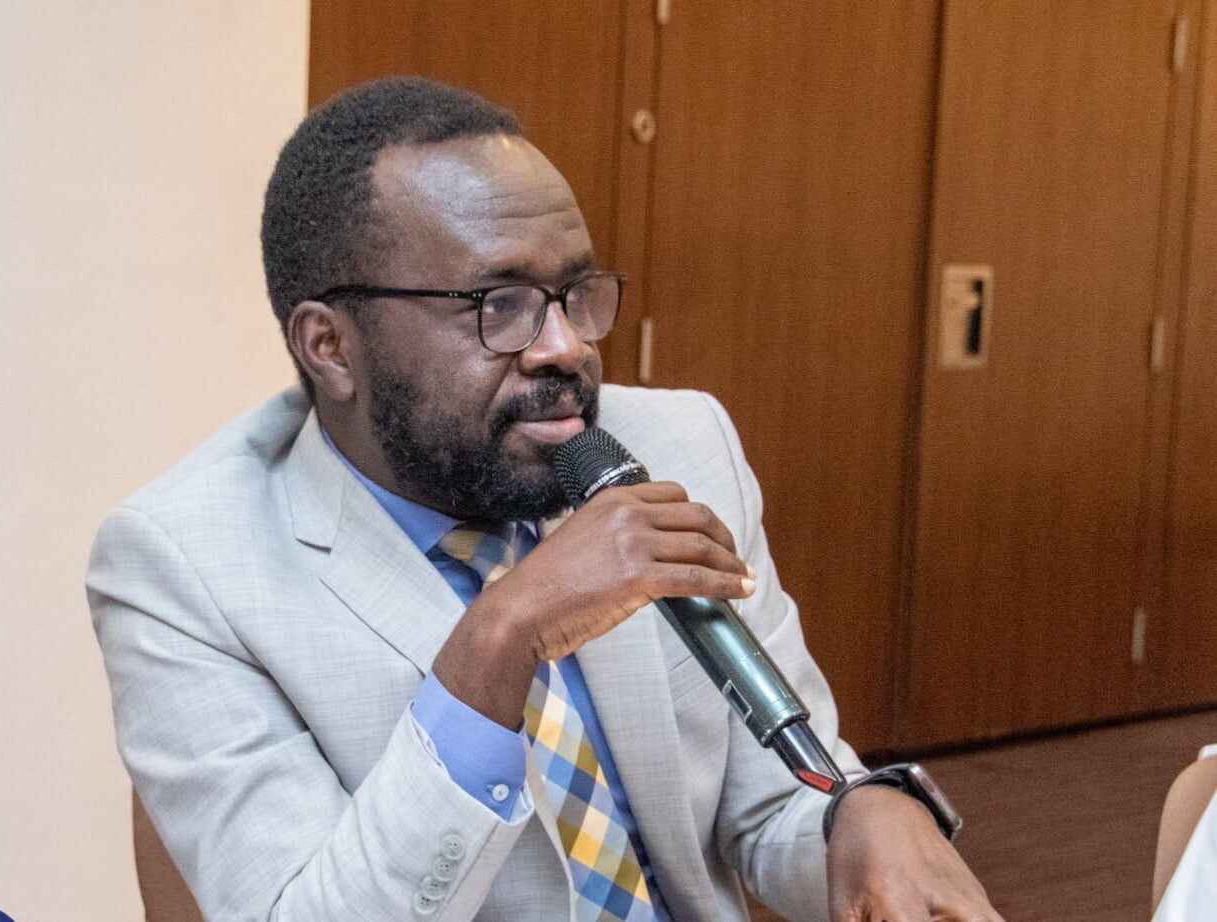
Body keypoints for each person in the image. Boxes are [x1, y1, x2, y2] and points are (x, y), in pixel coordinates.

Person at [87, 76, 1002, 922]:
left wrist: (858, 814)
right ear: (330, 346)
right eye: (500, 304)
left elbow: (771, 812)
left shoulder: (676, 445)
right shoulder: (187, 567)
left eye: (572, 294)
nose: (565, 347)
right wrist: (501, 637)